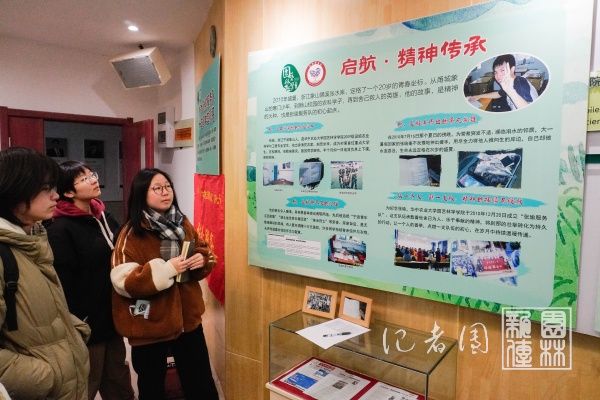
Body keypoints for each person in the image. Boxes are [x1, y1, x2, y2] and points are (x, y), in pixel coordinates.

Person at [111, 168, 218, 400]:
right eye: (157, 188)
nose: (165, 192)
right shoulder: (130, 233)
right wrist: (167, 269)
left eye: (168, 186)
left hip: (188, 321)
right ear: (142, 194)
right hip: (150, 325)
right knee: (152, 388)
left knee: (201, 384)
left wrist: (202, 259)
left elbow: (203, 250)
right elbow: (123, 281)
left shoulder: (181, 222)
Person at [0, 147, 90, 399]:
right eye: (45, 188)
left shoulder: (33, 239)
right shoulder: (5, 253)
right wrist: (43, 376)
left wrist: (75, 332)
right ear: (15, 192)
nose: (55, 195)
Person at [46, 161, 135, 400]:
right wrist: (78, 320)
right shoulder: (60, 228)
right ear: (68, 192)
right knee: (88, 379)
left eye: (92, 174)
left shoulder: (103, 215)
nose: (94, 180)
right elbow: (63, 282)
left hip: (112, 312)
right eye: (84, 179)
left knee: (117, 376)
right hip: (86, 320)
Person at [468, 54, 538, 111]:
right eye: (495, 72)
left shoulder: (520, 84)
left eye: (502, 70)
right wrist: (478, 96)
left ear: (512, 69)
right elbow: (498, 94)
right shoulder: (510, 83)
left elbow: (529, 113)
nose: (498, 75)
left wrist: (510, 91)